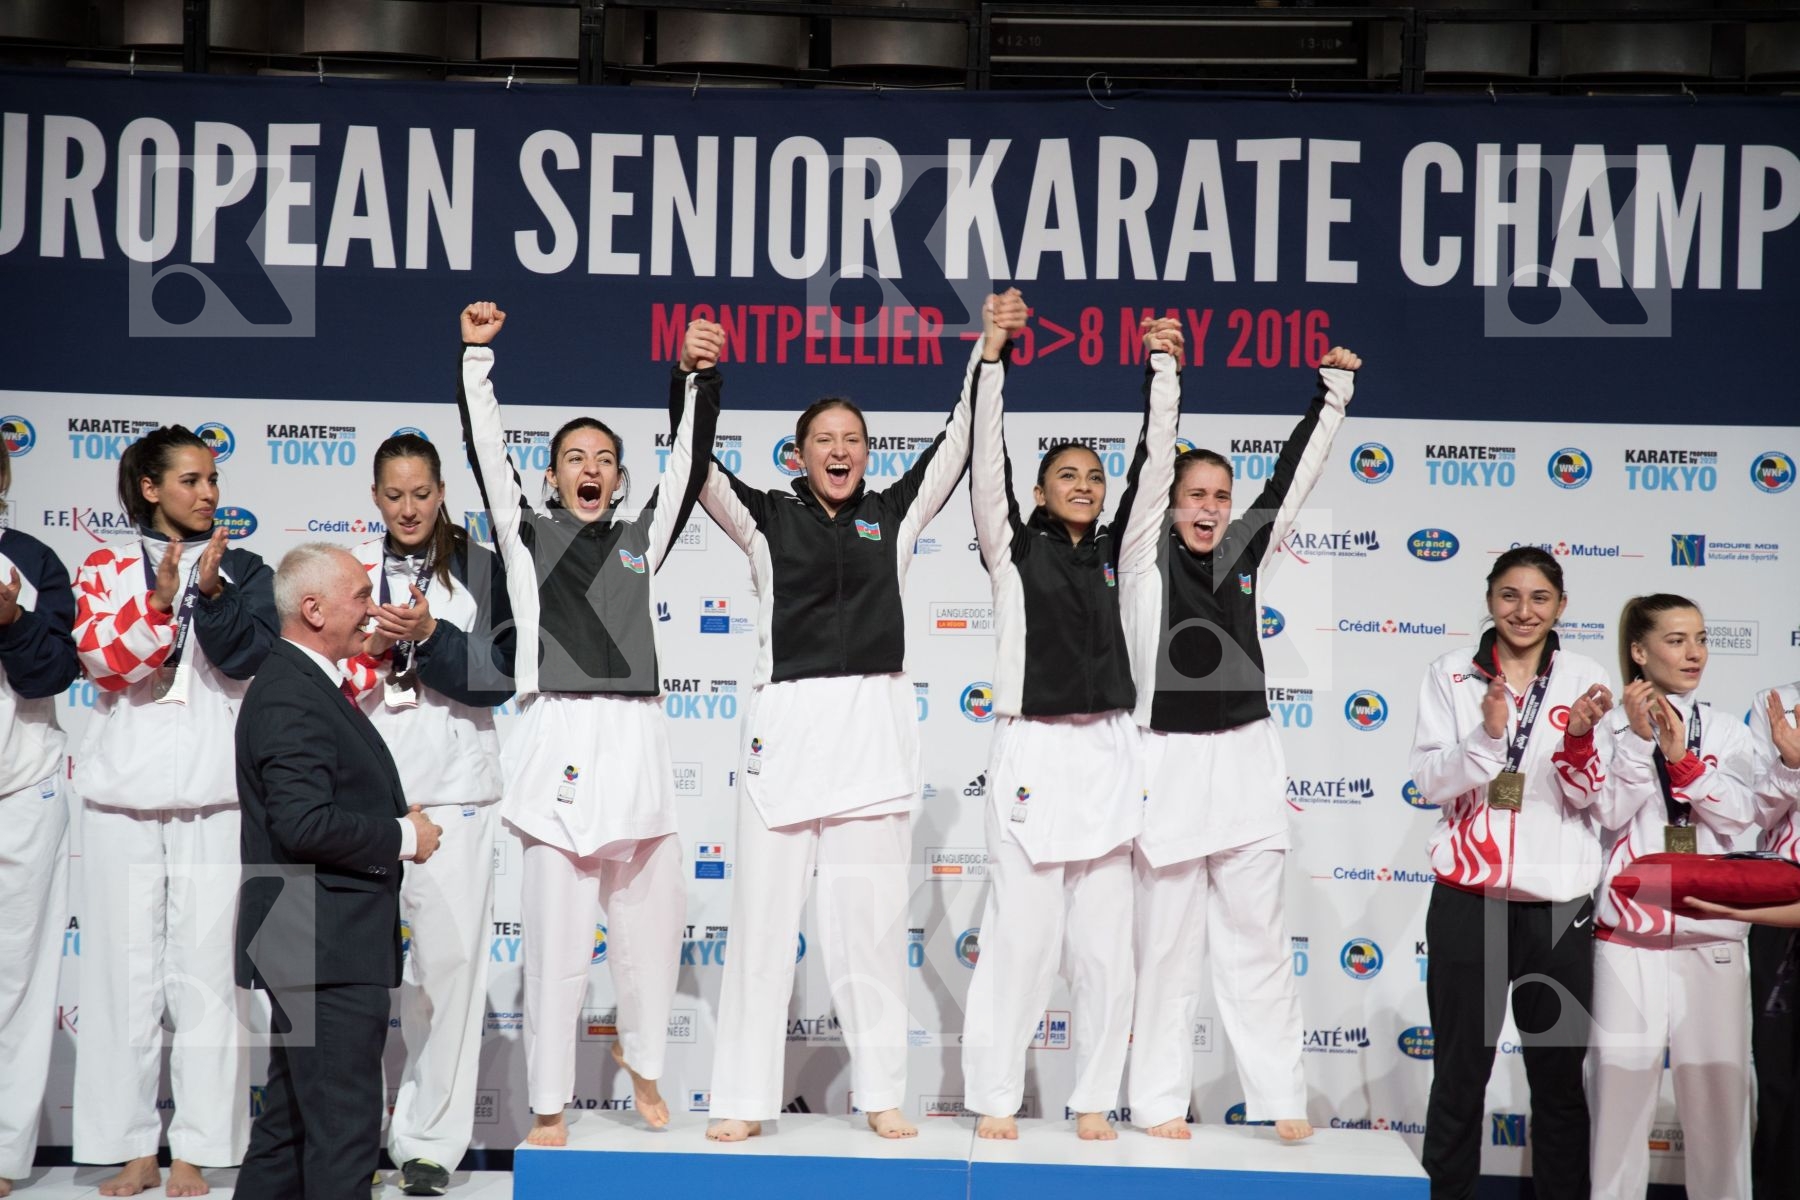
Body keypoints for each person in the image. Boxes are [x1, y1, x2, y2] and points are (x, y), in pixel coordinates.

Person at [698, 290, 1026, 1143]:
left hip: (873, 737)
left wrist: (988, 354)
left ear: (868, 455)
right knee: (762, 932)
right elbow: (694, 470)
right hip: (786, 734)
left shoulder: (893, 514)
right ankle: (741, 1099)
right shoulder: (766, 518)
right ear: (798, 454)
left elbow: (958, 441)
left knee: (871, 935)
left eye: (852, 440)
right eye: (824, 440)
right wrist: (697, 379)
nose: (839, 451)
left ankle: (882, 1093)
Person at [456, 301, 719, 1147]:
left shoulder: (644, 538)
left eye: (605, 458)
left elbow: (690, 463)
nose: (591, 467)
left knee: (649, 934)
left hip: (637, 741)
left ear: (621, 477)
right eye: (575, 458)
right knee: (558, 946)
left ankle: (645, 1062)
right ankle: (548, 1102)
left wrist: (696, 378)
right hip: (559, 742)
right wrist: (476, 359)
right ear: (552, 476)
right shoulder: (526, 535)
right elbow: (485, 451)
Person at [1123, 343, 1360, 1143]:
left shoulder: (1242, 550)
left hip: (1248, 760)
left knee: (1258, 940)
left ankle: (1281, 1096)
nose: (1210, 507)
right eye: (1195, 494)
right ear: (1170, 502)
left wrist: (1332, 393)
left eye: (1221, 496)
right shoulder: (1143, 555)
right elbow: (1153, 458)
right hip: (1167, 761)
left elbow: (1293, 478)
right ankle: (1157, 1101)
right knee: (1165, 950)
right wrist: (1165, 375)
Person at [959, 306, 1170, 1142]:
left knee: (1106, 952)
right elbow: (986, 460)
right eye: (1066, 475)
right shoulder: (1011, 549)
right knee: (1020, 941)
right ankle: (996, 1098)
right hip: (1034, 752)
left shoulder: (1124, 552)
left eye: (1093, 476)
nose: (1083, 485)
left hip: (1109, 752)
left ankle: (1092, 1099)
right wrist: (995, 358)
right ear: (1040, 492)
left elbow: (1156, 467)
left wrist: (1162, 373)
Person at [71, 425, 277, 1197]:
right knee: (121, 977)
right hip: (120, 797)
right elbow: (102, 664)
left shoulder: (246, 567)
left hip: (215, 795)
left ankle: (198, 1147)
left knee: (208, 979)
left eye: (213, 479)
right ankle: (129, 1147)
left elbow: (251, 658)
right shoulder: (103, 566)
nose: (208, 493)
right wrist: (159, 603)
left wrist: (211, 594)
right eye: (191, 480)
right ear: (150, 487)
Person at [234, 543, 443, 1200]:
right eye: (360, 596)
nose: (373, 609)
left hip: (315, 940)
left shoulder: (302, 684)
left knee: (291, 1127)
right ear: (315, 609)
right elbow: (303, 824)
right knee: (343, 1133)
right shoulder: (291, 695)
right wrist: (404, 836)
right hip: (322, 944)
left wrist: (388, 815)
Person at [338, 435, 515, 1195]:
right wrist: (370, 647)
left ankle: (429, 1146)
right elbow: (313, 663)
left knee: (447, 976)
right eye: (394, 495)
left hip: (456, 796)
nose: (408, 509)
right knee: (351, 981)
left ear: (442, 492)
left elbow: (503, 675)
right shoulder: (347, 568)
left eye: (421, 494)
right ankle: (347, 1140)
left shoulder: (482, 566)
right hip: (362, 799)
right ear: (374, 497)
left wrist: (430, 637)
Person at [1408, 546, 1611, 1200]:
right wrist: (1488, 738)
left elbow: (1595, 797)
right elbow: (1428, 781)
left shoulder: (1584, 676)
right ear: (1490, 599)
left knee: (1558, 1083)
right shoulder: (1450, 674)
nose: (1524, 611)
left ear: (1561, 605)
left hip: (1557, 910)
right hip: (1470, 905)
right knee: (1459, 1078)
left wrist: (1578, 740)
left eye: (1540, 598)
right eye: (1510, 596)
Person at [1567, 594, 1755, 1199]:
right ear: (1639, 652)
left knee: (1721, 1108)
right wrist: (1635, 741)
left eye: (1700, 638)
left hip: (1712, 936)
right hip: (1629, 940)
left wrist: (1682, 760)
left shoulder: (1726, 730)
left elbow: (1742, 817)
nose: (1694, 653)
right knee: (1618, 1102)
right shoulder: (1610, 730)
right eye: (1676, 640)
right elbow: (1608, 812)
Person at [0, 435, 81, 1199]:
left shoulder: (30, 559)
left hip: (22, 791)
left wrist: (13, 619)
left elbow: (55, 670)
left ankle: (1, 1154)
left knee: (18, 981)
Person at [1740, 681, 1800, 1199]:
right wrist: (1791, 765)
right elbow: (1754, 812)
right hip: (1783, 904)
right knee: (1777, 1074)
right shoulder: (1774, 704)